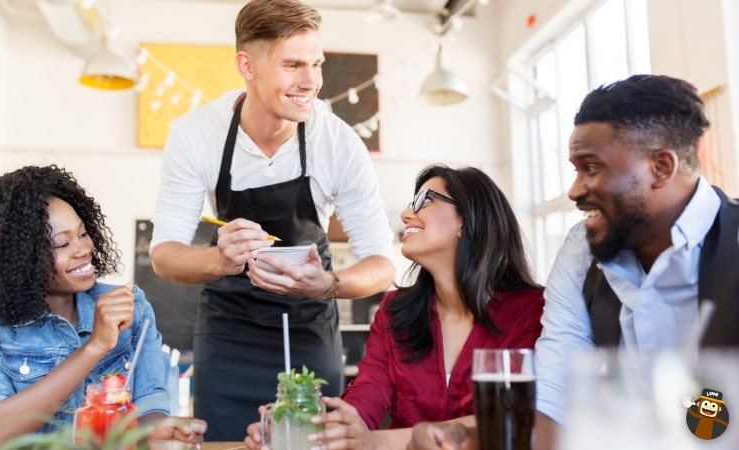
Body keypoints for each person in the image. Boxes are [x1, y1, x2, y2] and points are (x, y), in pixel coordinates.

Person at [409, 74, 739, 449]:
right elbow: (552, 399)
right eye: (575, 169)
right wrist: (466, 437)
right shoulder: (582, 251)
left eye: (592, 168)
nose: (575, 190)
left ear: (661, 167)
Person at [148, 0, 395, 441]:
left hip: (308, 326)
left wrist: (329, 285)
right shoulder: (197, 134)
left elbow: (382, 264)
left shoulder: (337, 143)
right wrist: (220, 261)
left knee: (309, 441)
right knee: (224, 439)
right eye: (294, 64)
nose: (311, 82)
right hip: (229, 330)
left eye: (317, 64)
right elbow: (164, 256)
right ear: (247, 65)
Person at [244, 164, 545, 449]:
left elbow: (521, 417)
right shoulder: (394, 311)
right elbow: (365, 398)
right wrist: (305, 430)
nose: (405, 214)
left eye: (425, 201)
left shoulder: (535, 311)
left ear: (467, 220)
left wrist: (376, 443)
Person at [0, 165, 206, 450]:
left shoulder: (131, 305)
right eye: (62, 243)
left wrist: (156, 433)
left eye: (82, 233)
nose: (83, 249)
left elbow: (149, 403)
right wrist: (94, 347)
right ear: (14, 261)